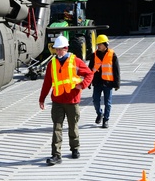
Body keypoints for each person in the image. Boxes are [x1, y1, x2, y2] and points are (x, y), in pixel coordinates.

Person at [39, 35, 93, 165]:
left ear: (66, 48)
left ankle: (75, 148)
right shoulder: (52, 64)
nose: (58, 51)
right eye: (56, 49)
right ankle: (56, 155)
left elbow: (89, 74)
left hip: (72, 100)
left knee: (73, 126)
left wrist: (82, 85)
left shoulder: (76, 61)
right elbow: (47, 83)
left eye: (60, 49)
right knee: (57, 127)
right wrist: (42, 99)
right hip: (57, 101)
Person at [88, 34, 120, 128]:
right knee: (95, 101)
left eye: (100, 44)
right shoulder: (94, 55)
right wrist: (89, 81)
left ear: (105, 44)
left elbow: (116, 70)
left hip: (108, 83)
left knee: (108, 103)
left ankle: (105, 120)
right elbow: (90, 70)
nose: (98, 46)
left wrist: (117, 84)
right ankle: (99, 113)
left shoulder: (112, 54)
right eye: (98, 44)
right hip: (97, 82)